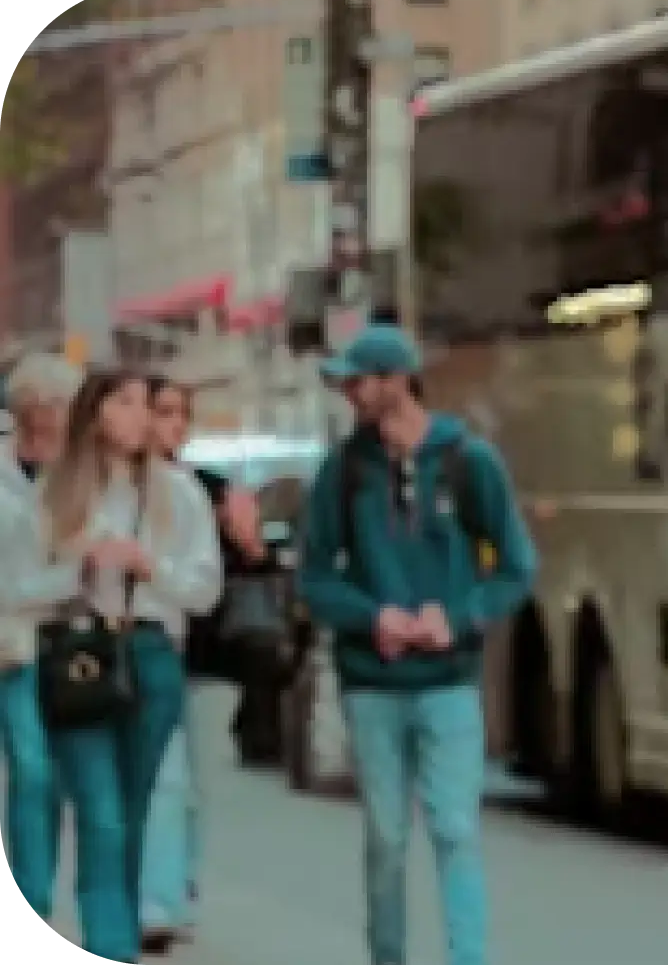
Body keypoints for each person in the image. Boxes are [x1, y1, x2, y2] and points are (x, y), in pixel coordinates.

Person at [297, 324, 537, 965]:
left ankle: (468, 958)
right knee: (386, 837)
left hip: (449, 678)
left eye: (361, 380)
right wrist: (372, 617)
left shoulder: (468, 462)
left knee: (456, 830)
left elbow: (516, 566)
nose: (350, 392)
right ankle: (389, 956)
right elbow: (314, 576)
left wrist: (456, 617)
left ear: (399, 381)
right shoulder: (345, 471)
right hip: (372, 682)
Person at [34, 368, 223, 962]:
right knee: (101, 814)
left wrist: (149, 567)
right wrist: (79, 566)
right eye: (126, 402)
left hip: (151, 654)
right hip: (80, 657)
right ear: (96, 413)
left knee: (136, 812)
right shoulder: (57, 492)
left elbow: (205, 590)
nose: (141, 415)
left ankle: (117, 937)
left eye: (146, 403)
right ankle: (109, 945)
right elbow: (19, 583)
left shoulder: (181, 493)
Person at [138, 375, 250, 951]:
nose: (172, 425)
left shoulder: (209, 488)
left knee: (195, 784)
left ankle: (180, 886)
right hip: (153, 650)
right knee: (161, 777)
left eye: (180, 415)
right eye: (162, 412)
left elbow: (243, 576)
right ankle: (155, 892)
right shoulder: (121, 487)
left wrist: (249, 542)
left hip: (209, 655)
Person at [0, 353, 85, 926]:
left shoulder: (77, 480)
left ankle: (35, 897)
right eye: (56, 405)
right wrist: (65, 579)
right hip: (11, 637)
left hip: (36, 649)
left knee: (36, 771)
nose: (62, 417)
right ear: (30, 409)